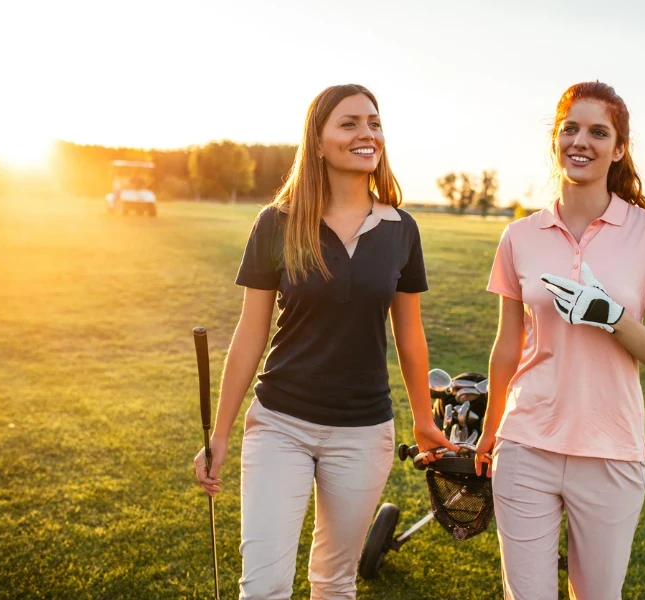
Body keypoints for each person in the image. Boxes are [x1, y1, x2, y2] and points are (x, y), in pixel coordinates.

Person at [193, 84, 456, 600]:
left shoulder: (401, 228)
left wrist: (424, 419)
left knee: (334, 584)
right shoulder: (276, 222)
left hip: (363, 432)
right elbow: (251, 332)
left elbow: (409, 331)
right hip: (280, 423)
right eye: (350, 123)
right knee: (263, 587)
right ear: (317, 141)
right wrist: (220, 431)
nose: (367, 134)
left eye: (374, 123)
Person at [475, 81, 645, 600]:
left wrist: (613, 316)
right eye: (570, 128)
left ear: (618, 149)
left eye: (599, 132)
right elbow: (508, 346)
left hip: (611, 450)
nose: (581, 141)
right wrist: (490, 431)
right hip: (525, 444)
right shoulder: (520, 237)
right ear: (556, 138)